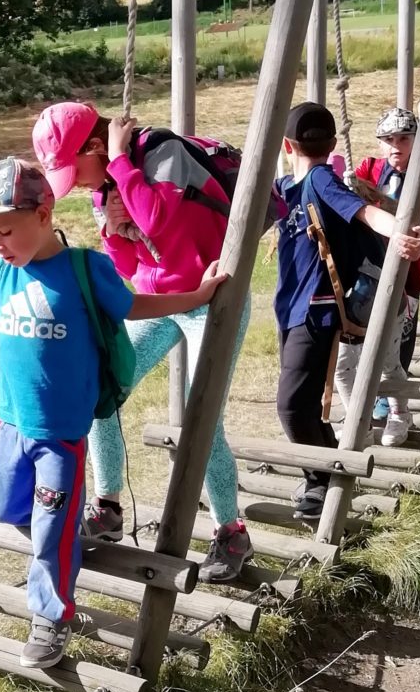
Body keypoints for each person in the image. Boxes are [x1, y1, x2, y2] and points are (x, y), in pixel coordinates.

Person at [0, 156, 227, 667]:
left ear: (43, 214)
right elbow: (0, 295)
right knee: (3, 508)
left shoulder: (85, 269)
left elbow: (133, 306)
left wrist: (197, 295)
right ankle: (62, 522)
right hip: (11, 424)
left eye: (4, 231)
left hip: (61, 435)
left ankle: (50, 616)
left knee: (52, 533)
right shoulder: (9, 269)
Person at [28, 101, 263, 585]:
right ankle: (108, 506)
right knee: (100, 392)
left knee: (201, 418)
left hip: (214, 298)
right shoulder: (105, 190)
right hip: (164, 301)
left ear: (97, 146)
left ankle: (231, 531)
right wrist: (114, 231)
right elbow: (130, 267)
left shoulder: (161, 154)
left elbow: (156, 219)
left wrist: (120, 162)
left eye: (77, 170)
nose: (80, 184)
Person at [273, 102, 420, 519]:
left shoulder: (320, 179)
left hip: (318, 309)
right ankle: (328, 482)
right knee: (305, 405)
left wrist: (403, 235)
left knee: (291, 406)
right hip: (291, 309)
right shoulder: (286, 187)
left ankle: (321, 482)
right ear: (332, 143)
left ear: (287, 145)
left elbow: (366, 212)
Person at [342, 105, 420, 448]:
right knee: (351, 349)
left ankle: (399, 412)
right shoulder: (369, 168)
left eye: (403, 139)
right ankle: (363, 413)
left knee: (393, 349)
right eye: (389, 139)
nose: (396, 146)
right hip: (368, 266)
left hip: (405, 272)